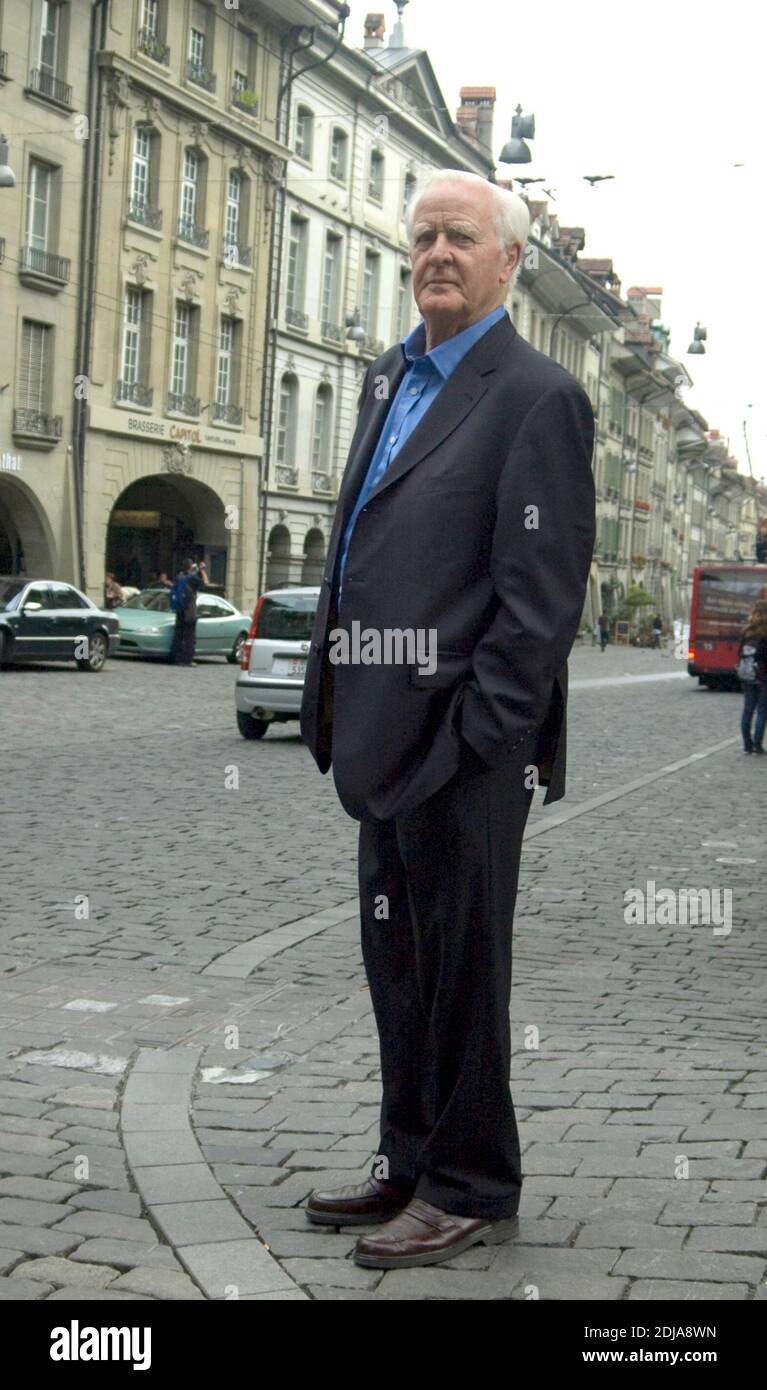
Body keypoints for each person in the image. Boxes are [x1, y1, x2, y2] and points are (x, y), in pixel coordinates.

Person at [300, 169, 596, 1269]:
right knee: (398, 961)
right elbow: (358, 538)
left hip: (467, 751)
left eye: (459, 236)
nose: (434, 252)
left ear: (508, 259)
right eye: (421, 234)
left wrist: (484, 738)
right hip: (376, 731)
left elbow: (539, 600)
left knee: (464, 968)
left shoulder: (535, 396)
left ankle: (470, 1181)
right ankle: (407, 1156)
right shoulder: (388, 377)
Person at [737, 599, 767, 754]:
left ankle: (747, 745)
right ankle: (757, 745)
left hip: (748, 675)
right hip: (763, 677)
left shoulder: (746, 631)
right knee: (762, 712)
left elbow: (739, 654)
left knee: (747, 711)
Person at [169, 559, 208, 665]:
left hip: (179, 608)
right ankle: (187, 659)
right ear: (191, 566)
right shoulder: (193, 577)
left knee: (178, 633)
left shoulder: (179, 576)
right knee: (189, 635)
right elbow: (205, 583)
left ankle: (176, 658)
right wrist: (202, 570)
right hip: (189, 609)